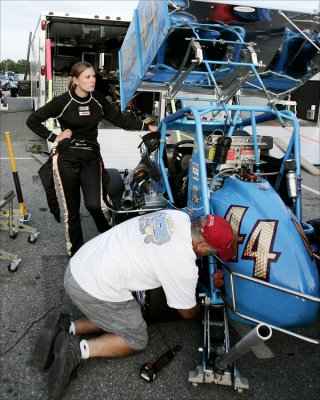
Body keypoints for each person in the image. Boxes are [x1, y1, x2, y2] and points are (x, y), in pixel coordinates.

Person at [32, 210, 234, 399]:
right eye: (213, 252)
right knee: (136, 338)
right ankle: (77, 349)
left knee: (122, 314)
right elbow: (187, 311)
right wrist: (203, 303)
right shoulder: (182, 264)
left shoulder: (177, 216)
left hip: (79, 265)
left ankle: (67, 326)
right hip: (91, 288)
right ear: (203, 247)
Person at [26, 61, 157, 256]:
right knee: (72, 210)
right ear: (76, 80)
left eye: (94, 76)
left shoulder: (97, 100)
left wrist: (148, 127)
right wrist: (55, 137)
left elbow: (119, 120)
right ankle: (76, 252)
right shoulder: (63, 101)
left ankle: (111, 239)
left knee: (95, 205)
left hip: (91, 159)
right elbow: (33, 120)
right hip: (67, 160)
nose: (93, 80)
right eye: (88, 77)